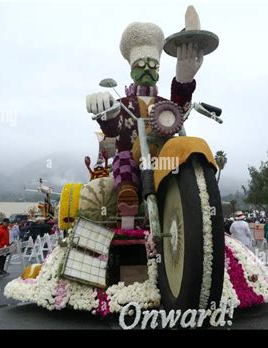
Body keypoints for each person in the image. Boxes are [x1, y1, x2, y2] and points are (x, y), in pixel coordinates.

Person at [85, 22, 201, 218]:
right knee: (124, 159)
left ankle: (186, 206)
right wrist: (106, 111)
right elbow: (113, 128)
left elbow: (178, 115)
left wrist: (184, 80)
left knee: (179, 165)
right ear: (131, 69)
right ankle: (128, 208)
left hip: (161, 160)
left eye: (153, 65)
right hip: (131, 161)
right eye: (140, 64)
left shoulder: (165, 103)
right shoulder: (121, 104)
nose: (147, 69)